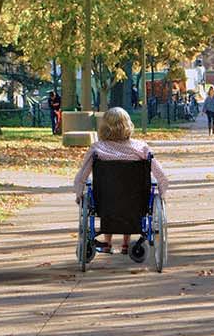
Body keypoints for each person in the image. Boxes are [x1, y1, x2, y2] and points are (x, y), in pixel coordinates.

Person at [70, 108, 169, 258]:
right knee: (129, 195)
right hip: (136, 203)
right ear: (128, 125)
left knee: (108, 193)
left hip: (106, 202)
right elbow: (161, 175)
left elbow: (81, 176)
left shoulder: (97, 149)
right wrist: (162, 193)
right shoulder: (141, 148)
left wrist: (79, 194)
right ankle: (125, 244)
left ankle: (107, 244)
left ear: (104, 126)